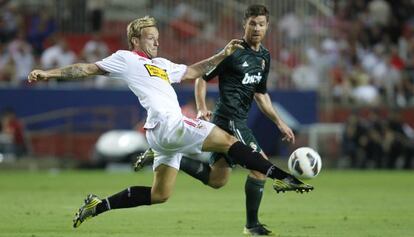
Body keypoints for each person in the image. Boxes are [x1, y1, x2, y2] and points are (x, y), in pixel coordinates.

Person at [27, 16, 313, 231]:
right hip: (168, 125)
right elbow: (85, 68)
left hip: (160, 135)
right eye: (151, 37)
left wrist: (223, 54)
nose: (156, 41)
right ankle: (281, 175)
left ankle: (98, 205)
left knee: (159, 194)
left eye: (157, 37)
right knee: (228, 140)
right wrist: (48, 74)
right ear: (136, 40)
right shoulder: (125, 59)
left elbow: (192, 71)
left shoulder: (162, 64)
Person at [135, 5, 299, 236]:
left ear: (267, 27)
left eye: (261, 24)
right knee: (260, 168)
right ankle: (252, 226)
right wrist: (202, 108)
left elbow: (260, 94)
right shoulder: (232, 52)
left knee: (217, 180)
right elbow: (201, 78)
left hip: (240, 119)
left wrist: (279, 122)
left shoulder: (264, 57)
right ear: (244, 24)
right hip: (229, 119)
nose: (257, 28)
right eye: (252, 23)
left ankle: (174, 157)